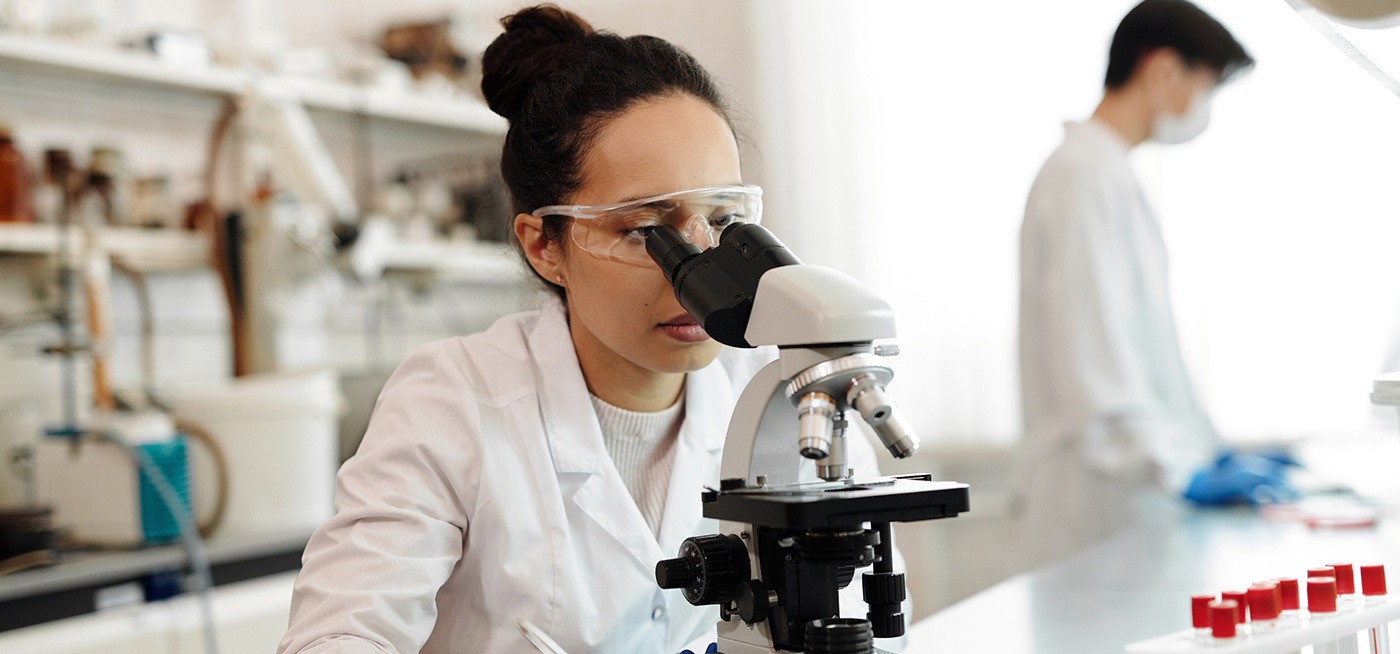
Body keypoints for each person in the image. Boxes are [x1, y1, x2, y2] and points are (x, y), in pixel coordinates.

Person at [278, 6, 890, 653]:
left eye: (722, 217)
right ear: (545, 244)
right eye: (644, 231)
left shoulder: (789, 399)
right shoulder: (453, 402)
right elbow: (337, 637)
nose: (700, 268)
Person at [1015, 0, 1255, 567]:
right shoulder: (1081, 177)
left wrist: (1206, 452)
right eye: (1206, 86)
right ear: (1163, 69)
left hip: (1129, 494)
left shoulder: (1108, 173)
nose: (1203, 107)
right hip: (1096, 503)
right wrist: (1176, 469)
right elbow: (1093, 361)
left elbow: (1151, 355)